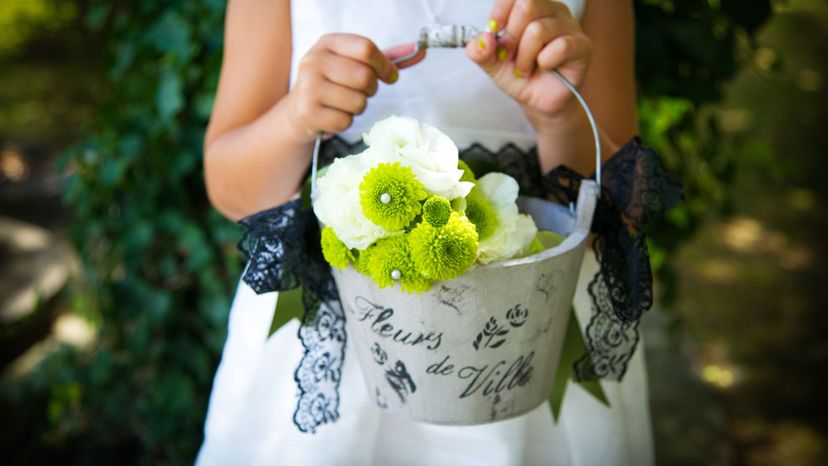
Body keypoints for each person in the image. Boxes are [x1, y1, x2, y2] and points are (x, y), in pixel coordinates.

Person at [198, 1, 654, 464]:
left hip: (529, 344)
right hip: (339, 340)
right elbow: (232, 190)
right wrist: (295, 117)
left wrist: (561, 119)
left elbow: (621, 215)